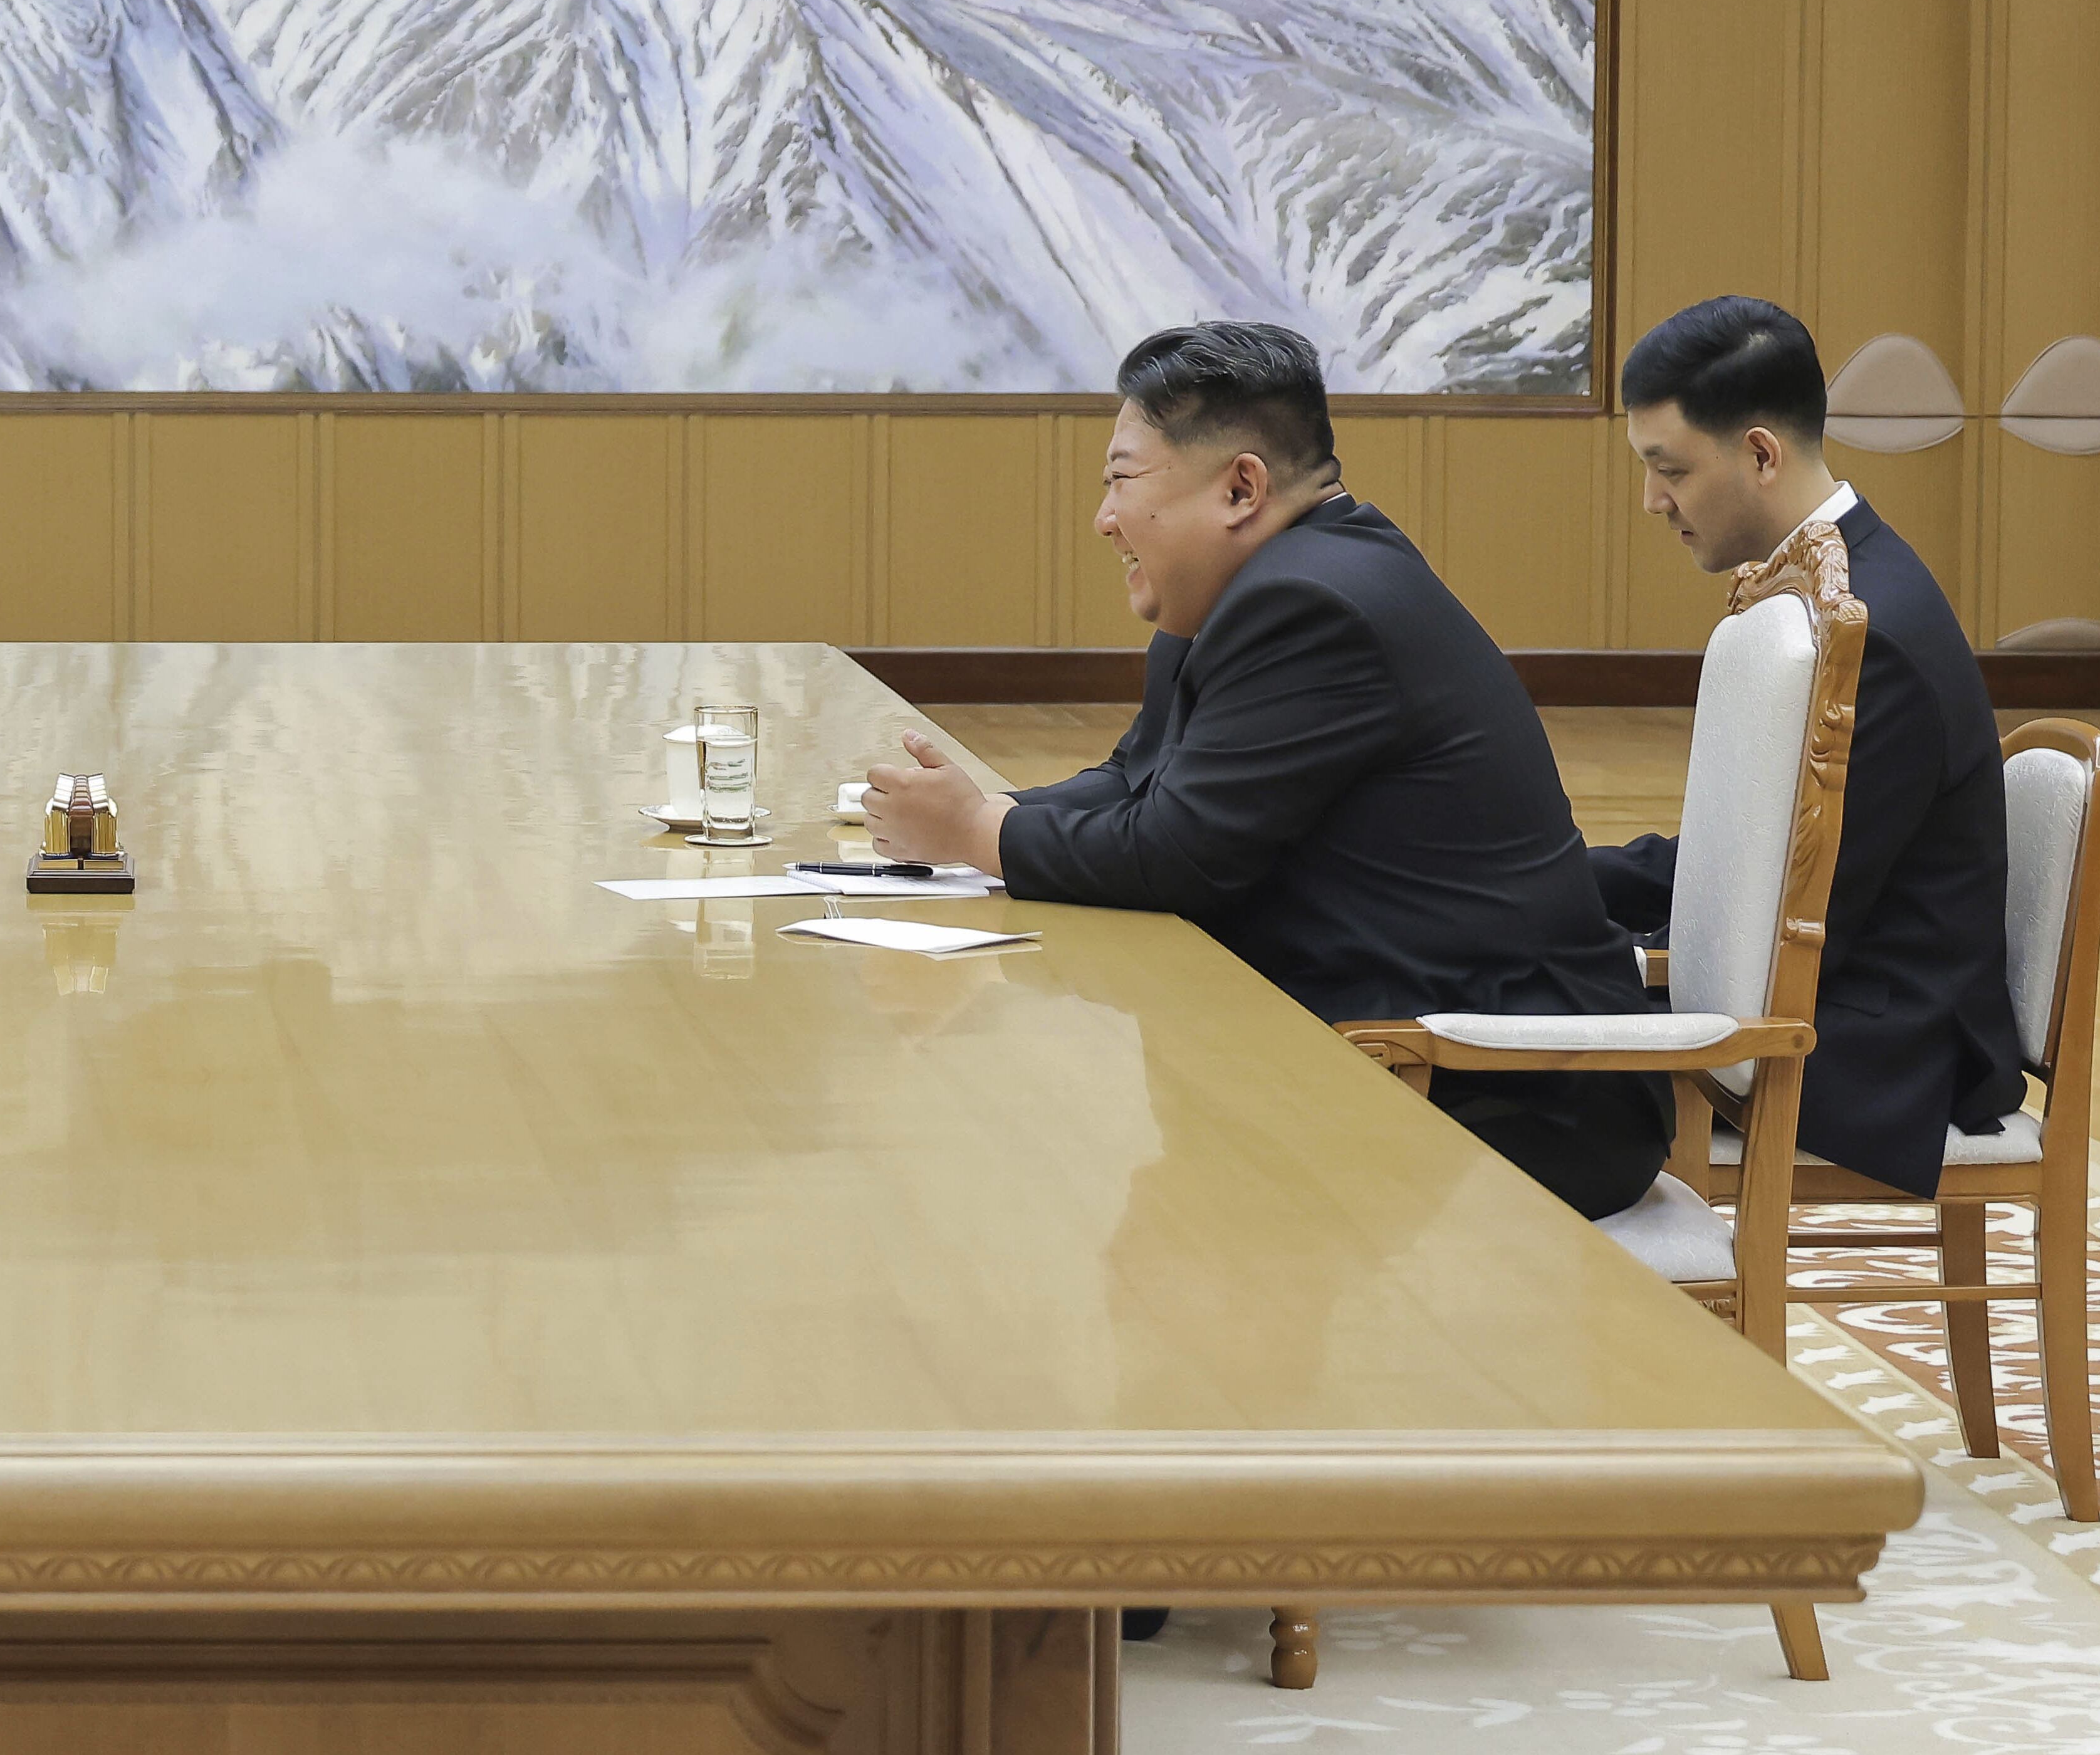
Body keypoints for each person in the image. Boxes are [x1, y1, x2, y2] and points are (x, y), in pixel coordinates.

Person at [863, 319, 1670, 1223]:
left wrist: (978, 834)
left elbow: (1174, 853)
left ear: (1241, 486)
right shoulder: (1254, 589)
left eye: (1122, 479)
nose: (1104, 518)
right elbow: (1136, 778)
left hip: (1512, 1082)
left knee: (1044, 1156)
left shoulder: (1311, 602)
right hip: (1394, 1045)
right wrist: (982, 813)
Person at [1593, 296, 2017, 1198]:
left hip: (1877, 1047)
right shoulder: (1830, 585)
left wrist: (1591, 942)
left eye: (1669, 469)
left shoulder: (1874, 630)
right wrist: (1553, 878)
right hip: (1824, 985)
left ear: (1759, 453)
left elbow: (1790, 903)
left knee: (1518, 1059)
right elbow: (1740, 868)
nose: (1651, 500)